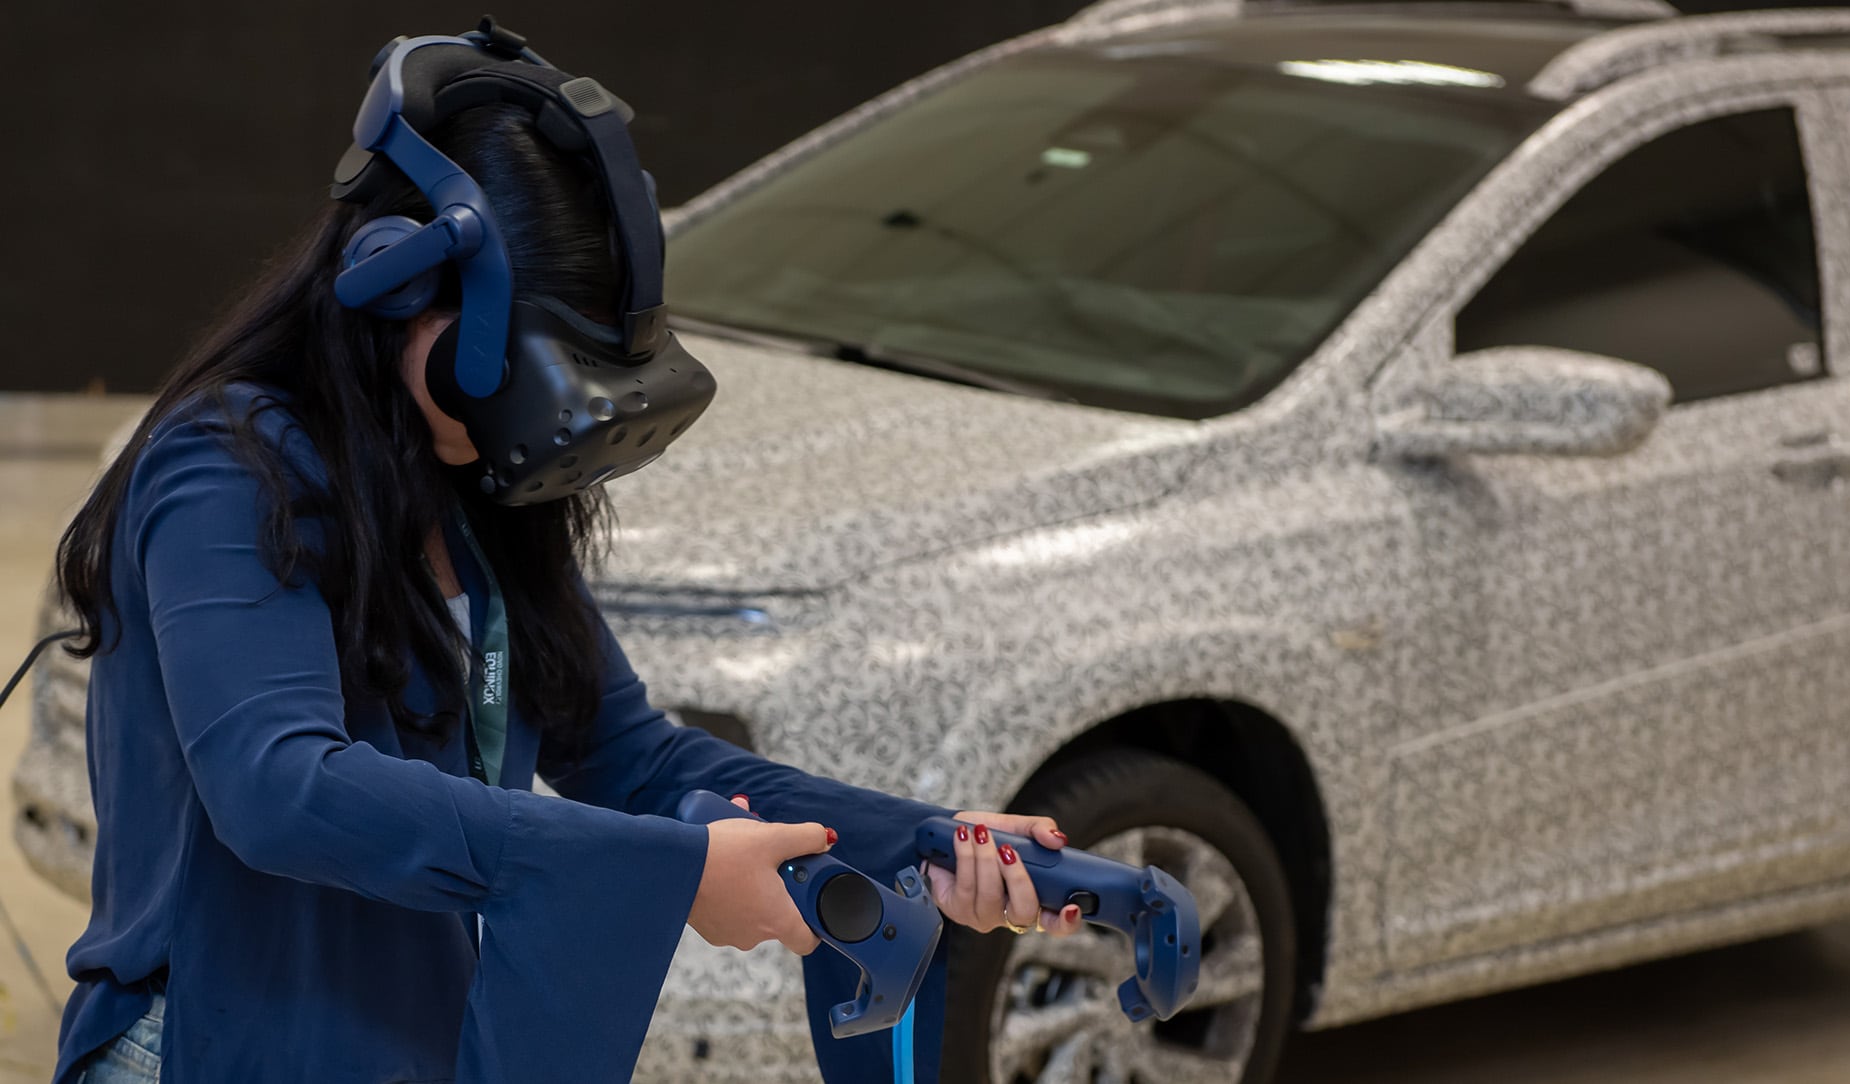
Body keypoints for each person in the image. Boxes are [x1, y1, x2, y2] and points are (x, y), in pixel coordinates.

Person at [48, 37, 1082, 1084]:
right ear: (400, 287)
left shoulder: (472, 487)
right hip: (209, 1048)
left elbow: (635, 757)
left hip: (395, 1042)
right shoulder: (230, 467)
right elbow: (280, 789)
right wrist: (669, 874)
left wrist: (919, 842)